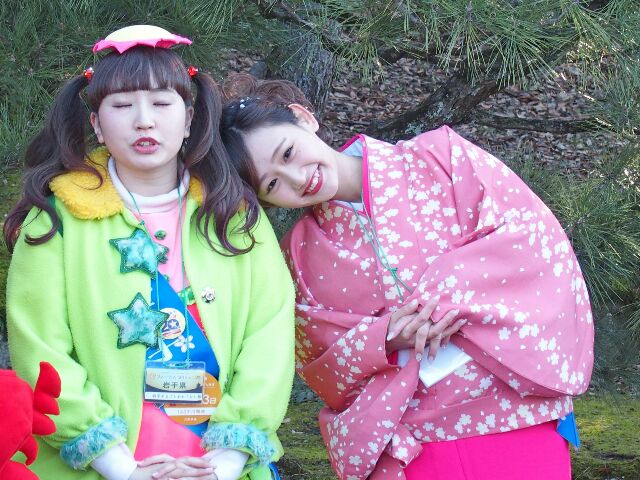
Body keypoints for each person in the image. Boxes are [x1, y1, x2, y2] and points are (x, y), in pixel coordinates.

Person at [219, 74, 594, 480]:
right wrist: (384, 337)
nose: (296, 178)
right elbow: (317, 358)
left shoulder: (440, 155)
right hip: (411, 435)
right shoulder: (299, 252)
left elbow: (529, 235)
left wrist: (444, 297)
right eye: (273, 183)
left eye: (288, 153)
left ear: (303, 118)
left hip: (511, 406)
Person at [5, 27, 294, 480]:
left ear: (189, 118)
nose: (144, 121)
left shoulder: (233, 215)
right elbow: (40, 348)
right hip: (98, 465)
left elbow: (269, 338)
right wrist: (120, 467)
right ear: (96, 124)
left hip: (217, 461)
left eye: (162, 103)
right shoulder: (55, 219)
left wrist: (226, 462)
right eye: (122, 106)